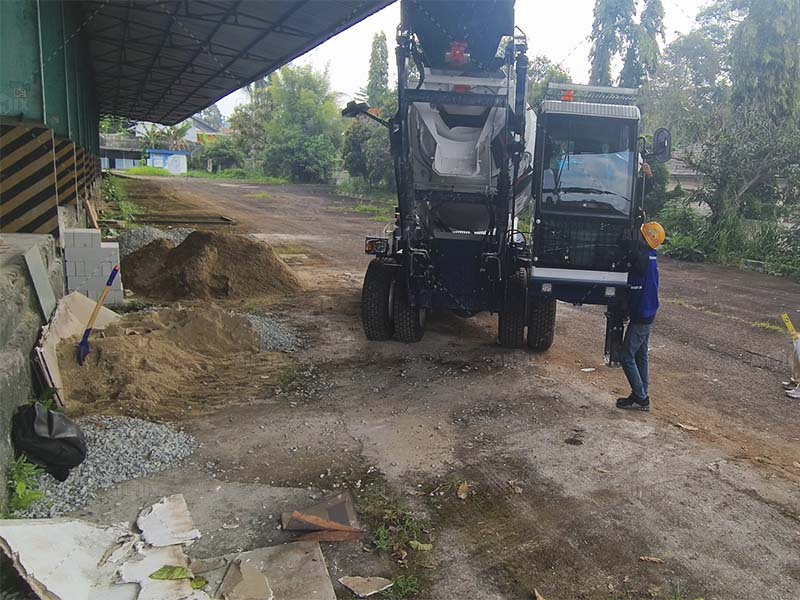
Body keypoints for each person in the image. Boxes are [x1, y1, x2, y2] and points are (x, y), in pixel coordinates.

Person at [617, 221, 666, 411]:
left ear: (645, 239)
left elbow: (631, 252)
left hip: (642, 315)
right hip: (648, 313)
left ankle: (640, 397)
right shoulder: (650, 257)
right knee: (641, 355)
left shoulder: (644, 259)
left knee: (626, 356)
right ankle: (642, 394)